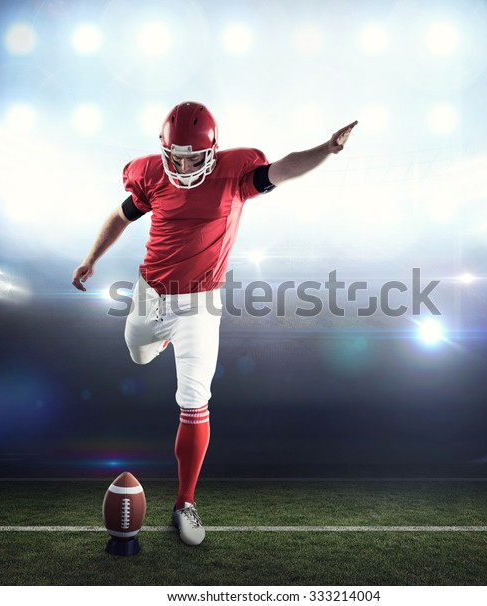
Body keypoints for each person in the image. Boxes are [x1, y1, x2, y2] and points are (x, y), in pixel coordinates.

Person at [72, 101, 357, 546]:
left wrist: (326, 148)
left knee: (194, 401)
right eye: (177, 157)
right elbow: (121, 215)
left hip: (200, 304)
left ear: (214, 151)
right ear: (164, 152)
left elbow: (284, 168)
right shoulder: (151, 175)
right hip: (150, 293)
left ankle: (184, 501)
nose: (184, 165)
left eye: (193, 157)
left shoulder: (235, 177)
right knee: (138, 352)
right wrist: (91, 259)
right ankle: (160, 342)